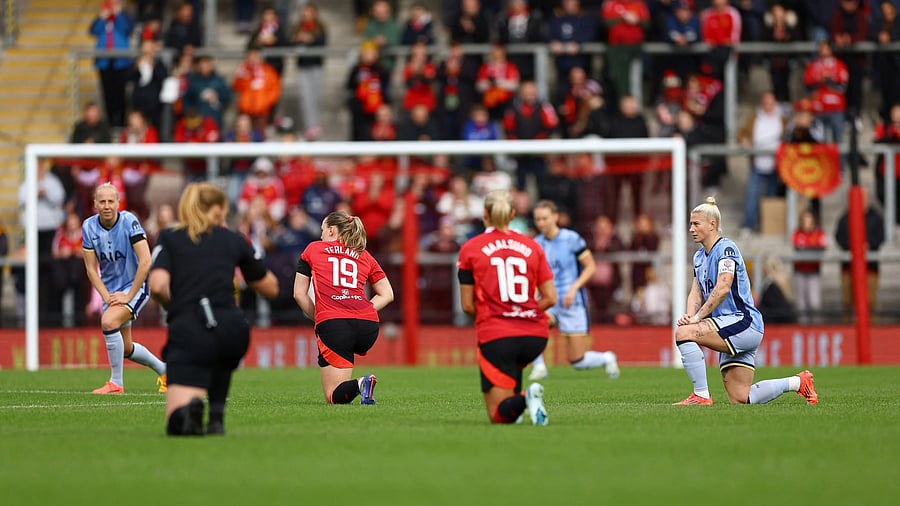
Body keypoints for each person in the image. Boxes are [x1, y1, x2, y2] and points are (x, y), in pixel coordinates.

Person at [149, 182, 279, 436]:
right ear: (219, 209)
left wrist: (174, 308)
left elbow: (157, 285)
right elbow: (271, 288)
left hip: (191, 328)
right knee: (221, 351)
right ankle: (216, 415)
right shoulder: (233, 240)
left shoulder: (171, 237)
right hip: (232, 328)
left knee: (176, 423)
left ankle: (189, 414)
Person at [672, 197, 818, 406]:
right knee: (741, 397)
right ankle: (798, 382)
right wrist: (690, 317)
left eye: (696, 224)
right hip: (730, 326)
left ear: (712, 224)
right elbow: (696, 292)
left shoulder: (726, 249)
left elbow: (723, 287)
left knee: (683, 334)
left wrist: (696, 319)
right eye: (690, 224)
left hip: (743, 322)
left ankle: (701, 395)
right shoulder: (699, 257)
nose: (691, 229)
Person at [457, 190, 558, 425]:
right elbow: (550, 297)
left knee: (498, 416)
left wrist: (493, 317)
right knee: (511, 416)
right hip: (535, 336)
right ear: (513, 214)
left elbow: (467, 305)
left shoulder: (471, 248)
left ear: (484, 214)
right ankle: (523, 405)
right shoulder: (532, 246)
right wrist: (527, 312)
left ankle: (527, 398)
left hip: (498, 335)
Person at [292, 211, 395, 405]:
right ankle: (361, 387)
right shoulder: (364, 254)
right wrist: (364, 310)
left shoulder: (313, 249)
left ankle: (361, 383)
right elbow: (387, 294)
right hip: (368, 326)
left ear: (331, 230)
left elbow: (298, 294)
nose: (321, 235)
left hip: (335, 324)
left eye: (322, 230)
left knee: (333, 396)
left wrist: (321, 317)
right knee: (341, 390)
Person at [82, 183, 167, 394]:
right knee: (126, 348)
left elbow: (145, 261)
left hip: (135, 286)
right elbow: (91, 270)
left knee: (109, 322)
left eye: (111, 201)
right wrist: (106, 296)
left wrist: (129, 295)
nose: (107, 206)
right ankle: (166, 371)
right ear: (95, 204)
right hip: (111, 291)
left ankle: (116, 383)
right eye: (102, 201)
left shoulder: (129, 221)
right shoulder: (88, 227)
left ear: (119, 203)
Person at [527, 200, 619, 382]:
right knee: (533, 324)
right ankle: (539, 367)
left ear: (555, 217)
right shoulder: (535, 244)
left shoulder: (571, 239)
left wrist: (574, 289)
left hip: (572, 302)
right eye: (538, 219)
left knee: (578, 361)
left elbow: (590, 267)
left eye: (545, 218)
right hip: (550, 300)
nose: (541, 223)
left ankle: (607, 358)